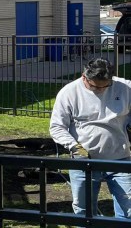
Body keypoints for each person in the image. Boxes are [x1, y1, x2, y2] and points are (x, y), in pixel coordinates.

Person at [50, 58, 131, 219]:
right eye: (94, 87)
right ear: (84, 77)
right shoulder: (69, 92)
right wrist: (75, 147)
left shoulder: (125, 88)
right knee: (84, 210)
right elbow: (57, 127)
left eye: (105, 86)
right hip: (84, 160)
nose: (100, 90)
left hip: (120, 157)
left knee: (128, 209)